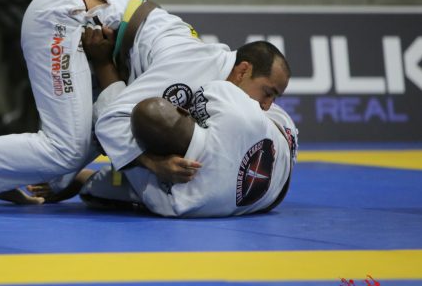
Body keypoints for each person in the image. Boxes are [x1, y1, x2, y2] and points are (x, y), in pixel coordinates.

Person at [0, 0, 289, 213]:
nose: (267, 106)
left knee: (94, 139)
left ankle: (2, 179)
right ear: (243, 71)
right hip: (66, 19)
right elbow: (113, 120)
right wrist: (153, 164)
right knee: (68, 147)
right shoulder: (196, 70)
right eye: (268, 92)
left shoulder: (215, 80)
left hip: (93, 30)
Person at [81, 82, 298, 217]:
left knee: (117, 171)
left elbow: (129, 157)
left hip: (271, 188)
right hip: (284, 137)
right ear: (183, 110)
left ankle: (84, 181)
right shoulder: (227, 104)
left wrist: (150, 162)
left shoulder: (180, 201)